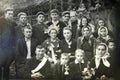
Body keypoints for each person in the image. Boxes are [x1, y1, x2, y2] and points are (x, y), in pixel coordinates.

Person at [0, 7, 17, 80]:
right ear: (5, 14)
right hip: (1, 48)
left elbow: (15, 35)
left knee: (7, 66)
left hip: (10, 48)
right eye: (9, 14)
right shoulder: (0, 21)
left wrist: (14, 46)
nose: (11, 16)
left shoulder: (13, 23)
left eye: (12, 14)